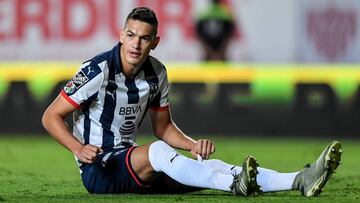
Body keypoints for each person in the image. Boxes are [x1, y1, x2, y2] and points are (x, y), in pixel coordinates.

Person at [42, 7, 342, 197]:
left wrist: (192, 145)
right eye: (131, 35)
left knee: (209, 165)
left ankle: (299, 179)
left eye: (144, 38)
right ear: (121, 36)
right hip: (100, 169)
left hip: (131, 162)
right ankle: (235, 187)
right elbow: (50, 116)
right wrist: (78, 148)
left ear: (154, 42)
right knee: (160, 152)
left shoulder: (156, 73)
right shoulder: (98, 70)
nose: (136, 44)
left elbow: (163, 127)